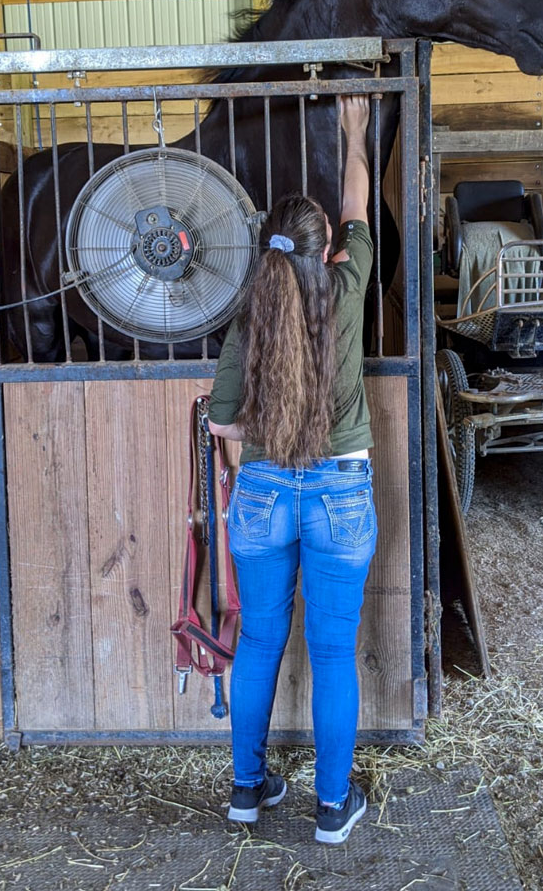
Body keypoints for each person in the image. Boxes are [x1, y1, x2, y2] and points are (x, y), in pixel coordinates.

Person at [207, 94, 377, 846]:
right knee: (334, 651)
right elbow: (358, 206)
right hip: (340, 489)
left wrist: (255, 456)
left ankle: (247, 791)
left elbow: (221, 420)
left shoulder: (251, 316)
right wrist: (354, 131)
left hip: (263, 491)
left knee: (259, 642)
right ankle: (333, 809)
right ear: (328, 249)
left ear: (266, 248)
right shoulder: (347, 288)